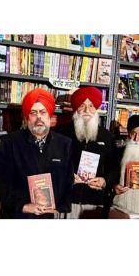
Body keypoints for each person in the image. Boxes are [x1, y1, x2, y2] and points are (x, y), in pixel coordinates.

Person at [0, 88, 73, 218]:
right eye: (33, 113)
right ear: (26, 117)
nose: (39, 118)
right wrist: (23, 206)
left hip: (50, 216)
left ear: (50, 116)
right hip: (17, 215)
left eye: (43, 112)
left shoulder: (64, 144)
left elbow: (68, 181)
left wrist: (60, 207)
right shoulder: (9, 143)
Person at [56, 86, 117, 218]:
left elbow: (114, 168)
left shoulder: (107, 137)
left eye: (91, 106)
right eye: (82, 105)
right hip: (66, 199)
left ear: (96, 108)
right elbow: (51, 164)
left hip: (95, 202)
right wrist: (66, 176)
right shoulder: (60, 133)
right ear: (75, 108)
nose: (86, 110)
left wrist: (105, 181)